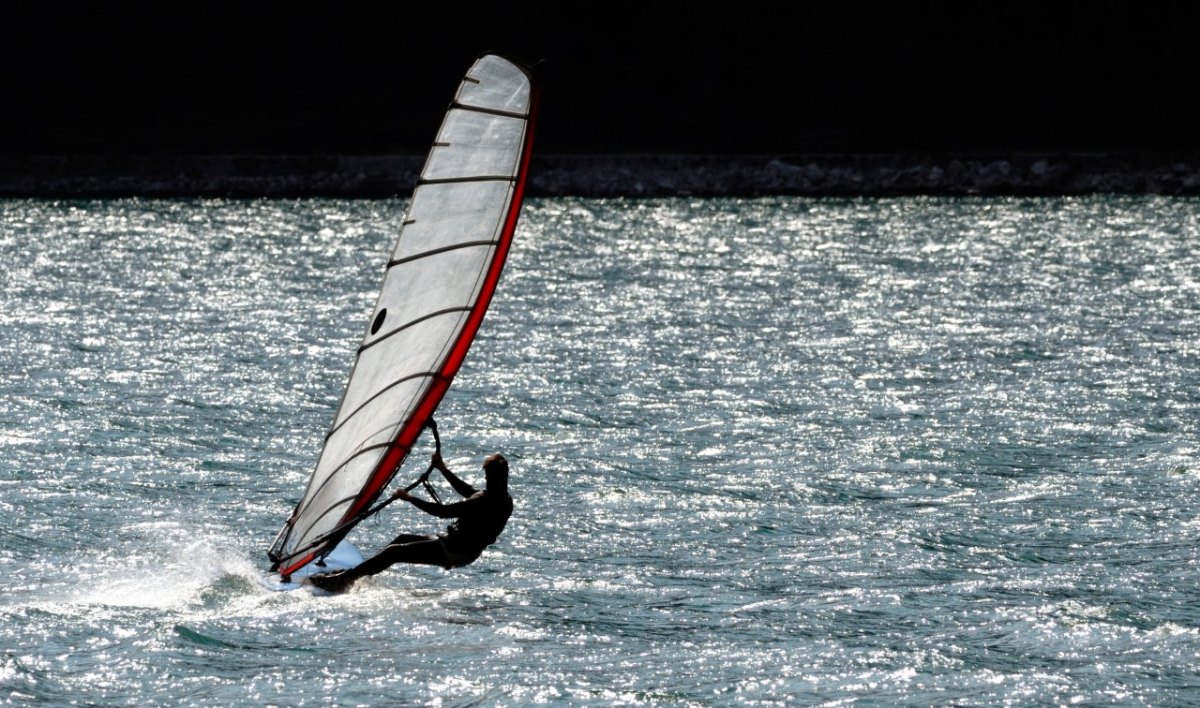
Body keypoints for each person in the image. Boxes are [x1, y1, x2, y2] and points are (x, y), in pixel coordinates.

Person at [307, 452, 513, 594]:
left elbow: (442, 512)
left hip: (452, 550)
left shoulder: (483, 500)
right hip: (460, 548)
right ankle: (355, 576)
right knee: (402, 539)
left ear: (491, 477)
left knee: (394, 552)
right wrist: (442, 468)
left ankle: (342, 581)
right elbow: (468, 490)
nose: (485, 479)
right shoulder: (504, 499)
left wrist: (409, 498)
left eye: (487, 475)